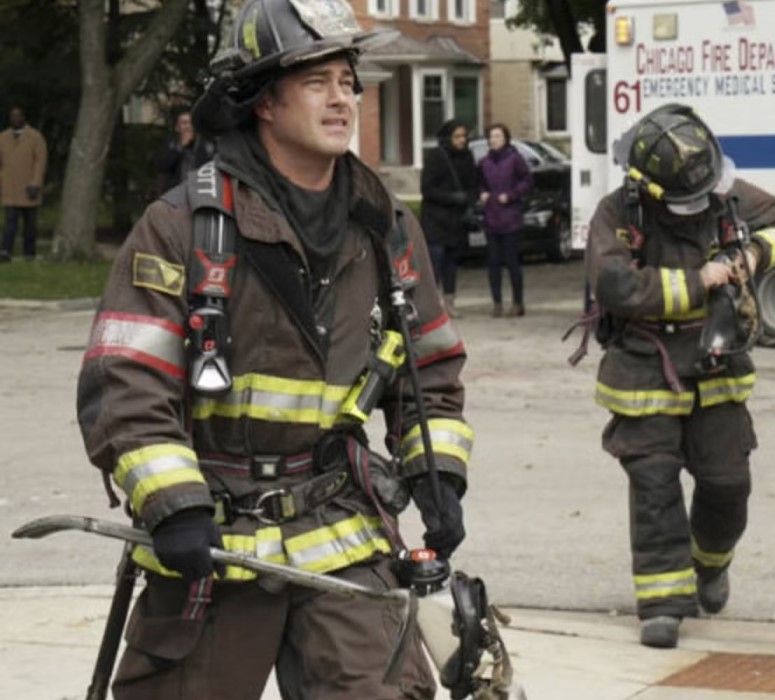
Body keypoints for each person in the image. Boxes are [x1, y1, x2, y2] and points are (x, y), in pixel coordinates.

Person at [75, 1, 470, 697]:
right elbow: (124, 381)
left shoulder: (383, 225)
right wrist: (175, 504)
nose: (342, 98)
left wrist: (439, 478)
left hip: (339, 528)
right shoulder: (184, 228)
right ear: (263, 99)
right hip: (215, 536)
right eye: (317, 81)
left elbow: (428, 368)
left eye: (348, 81)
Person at [586, 103, 775, 648]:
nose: (701, 205)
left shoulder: (723, 191)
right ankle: (663, 602)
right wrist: (698, 280)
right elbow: (615, 285)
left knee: (728, 486)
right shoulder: (617, 214)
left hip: (717, 368)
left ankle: (710, 565)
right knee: (655, 489)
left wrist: (753, 255)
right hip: (645, 370)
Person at [420, 118, 480, 317]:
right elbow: (427, 189)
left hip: (457, 220)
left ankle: (449, 302)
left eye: (464, 136)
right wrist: (453, 197)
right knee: (435, 262)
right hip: (436, 219)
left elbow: (473, 185)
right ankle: (432, 304)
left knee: (452, 264)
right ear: (448, 137)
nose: (462, 140)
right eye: (458, 136)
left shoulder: (467, 157)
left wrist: (471, 199)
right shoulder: (436, 156)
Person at [477, 123, 532, 317]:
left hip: (510, 219)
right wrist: (482, 193)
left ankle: (518, 302)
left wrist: (511, 195)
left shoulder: (514, 159)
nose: (494, 140)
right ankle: (497, 303)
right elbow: (479, 183)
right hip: (491, 218)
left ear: (505, 139)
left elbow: (526, 181)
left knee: (512, 262)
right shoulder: (484, 162)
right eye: (491, 136)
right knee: (493, 262)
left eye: (498, 136)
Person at [0, 106, 47, 262]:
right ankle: (6, 251)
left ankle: (29, 253)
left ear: (23, 117)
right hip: (10, 188)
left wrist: (35, 183)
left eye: (18, 116)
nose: (15, 119)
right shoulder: (3, 137)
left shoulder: (35, 137)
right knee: (10, 223)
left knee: (30, 224)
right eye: (12, 116)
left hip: (29, 187)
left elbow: (40, 161)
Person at [154, 110, 216, 194]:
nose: (188, 126)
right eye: (184, 123)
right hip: (176, 192)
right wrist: (180, 147)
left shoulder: (206, 145)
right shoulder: (171, 144)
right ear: (177, 128)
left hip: (200, 193)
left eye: (190, 123)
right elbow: (162, 166)